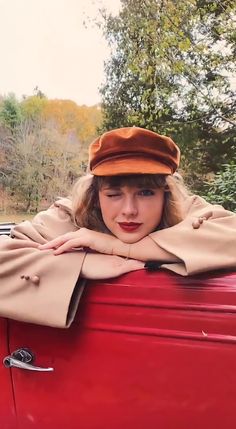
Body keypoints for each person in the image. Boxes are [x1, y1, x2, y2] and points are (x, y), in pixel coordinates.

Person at [0, 127, 235, 328]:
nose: (129, 210)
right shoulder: (67, 217)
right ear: (95, 196)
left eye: (145, 193)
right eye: (113, 194)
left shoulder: (187, 210)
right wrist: (81, 264)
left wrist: (117, 247)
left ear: (165, 195)